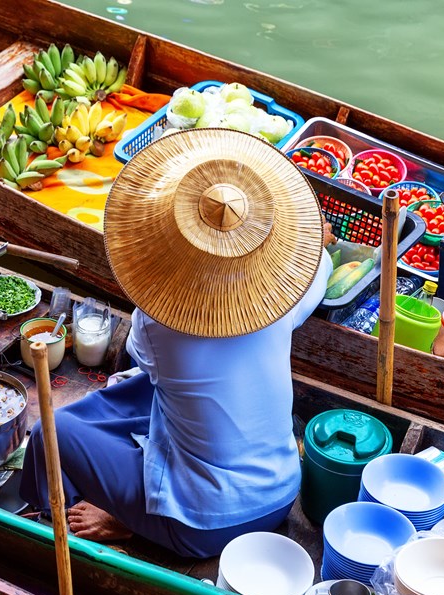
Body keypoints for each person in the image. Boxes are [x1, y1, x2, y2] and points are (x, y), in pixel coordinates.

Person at [19, 128, 336, 558]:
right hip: (280, 490)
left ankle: (60, 513)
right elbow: (320, 263)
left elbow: (154, 365)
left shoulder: (156, 326)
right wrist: (319, 241)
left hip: (203, 525)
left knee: (50, 432)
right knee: (146, 391)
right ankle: (130, 506)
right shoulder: (286, 294)